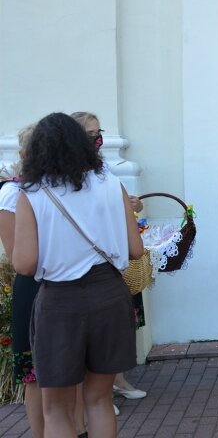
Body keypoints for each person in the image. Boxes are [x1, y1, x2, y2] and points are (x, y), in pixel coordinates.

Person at [12, 112, 144, 438]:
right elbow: (136, 249)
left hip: (60, 301)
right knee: (98, 399)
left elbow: (25, 265)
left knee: (57, 408)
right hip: (109, 294)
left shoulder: (31, 193)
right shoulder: (111, 183)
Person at [71, 111, 147, 411]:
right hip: (80, 273)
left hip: (109, 270)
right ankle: (95, 397)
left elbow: (129, 232)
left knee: (108, 340)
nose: (97, 139)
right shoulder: (59, 179)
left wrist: (133, 205)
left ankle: (111, 385)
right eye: (90, 134)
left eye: (98, 132)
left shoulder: (106, 174)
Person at [0, 124, 44, 438]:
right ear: (24, 152)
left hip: (65, 285)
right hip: (34, 286)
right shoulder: (13, 192)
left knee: (72, 371)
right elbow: (17, 256)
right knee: (35, 374)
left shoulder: (61, 186)